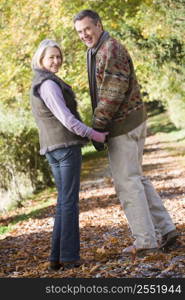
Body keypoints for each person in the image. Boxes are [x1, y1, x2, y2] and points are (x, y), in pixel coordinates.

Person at [73, 10, 178, 256]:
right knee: (136, 178)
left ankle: (146, 242)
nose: (84, 35)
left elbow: (112, 93)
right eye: (79, 32)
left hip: (124, 126)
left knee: (127, 184)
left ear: (98, 25)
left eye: (87, 29)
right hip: (129, 122)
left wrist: (97, 128)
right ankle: (167, 229)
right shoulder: (101, 49)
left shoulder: (110, 49)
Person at [30, 39, 108, 271]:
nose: (56, 60)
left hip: (54, 149)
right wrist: (96, 135)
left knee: (64, 202)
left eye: (58, 56)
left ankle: (57, 258)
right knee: (69, 203)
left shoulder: (41, 82)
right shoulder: (48, 84)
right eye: (51, 57)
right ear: (41, 60)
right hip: (64, 149)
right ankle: (70, 257)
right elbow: (68, 120)